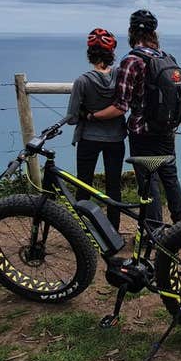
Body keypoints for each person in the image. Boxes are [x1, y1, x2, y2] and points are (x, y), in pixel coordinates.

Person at [90, 10, 181, 223]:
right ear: (154, 33)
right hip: (167, 128)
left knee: (148, 181)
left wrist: (92, 115)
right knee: (169, 175)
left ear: (131, 32)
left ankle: (153, 230)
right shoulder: (166, 57)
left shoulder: (132, 60)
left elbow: (120, 106)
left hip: (142, 132)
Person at [65, 28, 126, 231]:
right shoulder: (119, 77)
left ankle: (83, 230)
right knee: (113, 187)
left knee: (84, 185)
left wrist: (87, 114)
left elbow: (72, 117)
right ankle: (112, 230)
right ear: (111, 53)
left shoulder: (82, 81)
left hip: (88, 138)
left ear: (90, 54)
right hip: (116, 139)